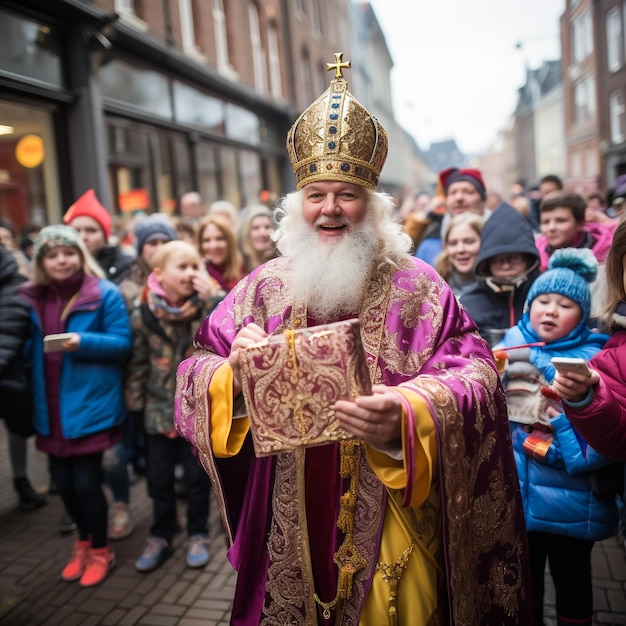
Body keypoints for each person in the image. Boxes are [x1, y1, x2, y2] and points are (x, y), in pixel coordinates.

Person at [175, 56, 534, 625]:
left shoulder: (416, 285)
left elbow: (477, 372)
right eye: (317, 194)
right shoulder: (263, 287)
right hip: (286, 506)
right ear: (298, 206)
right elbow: (196, 363)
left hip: (389, 506)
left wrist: (409, 411)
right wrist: (232, 377)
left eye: (347, 194)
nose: (331, 209)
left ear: (373, 205)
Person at [494, 248, 617, 626]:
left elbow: (602, 446)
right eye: (542, 300)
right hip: (517, 501)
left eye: (565, 304)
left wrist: (559, 423)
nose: (550, 310)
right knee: (524, 585)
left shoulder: (594, 363)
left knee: (574, 585)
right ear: (529, 304)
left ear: (583, 316)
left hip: (573, 509)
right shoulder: (506, 349)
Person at [18, 225, 132, 587]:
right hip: (49, 408)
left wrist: (81, 341)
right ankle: (82, 542)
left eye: (68, 253)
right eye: (52, 255)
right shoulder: (29, 298)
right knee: (63, 486)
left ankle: (101, 549)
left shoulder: (104, 294)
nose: (61, 260)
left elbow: (122, 343)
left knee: (86, 483)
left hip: (90, 406)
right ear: (41, 262)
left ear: (80, 255)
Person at [126, 241, 216, 572]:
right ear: (159, 274)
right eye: (183, 267)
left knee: (196, 479)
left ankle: (198, 532)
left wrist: (210, 299)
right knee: (159, 480)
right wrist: (135, 410)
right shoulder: (142, 314)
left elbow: (222, 342)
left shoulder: (207, 307)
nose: (191, 273)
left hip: (195, 412)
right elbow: (137, 365)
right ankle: (162, 533)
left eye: (196, 266)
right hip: (157, 412)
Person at [64, 189, 136, 540]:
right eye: (76, 230)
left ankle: (120, 502)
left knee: (113, 451)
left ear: (103, 233)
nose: (83, 238)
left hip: (120, 371)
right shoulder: (61, 274)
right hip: (86, 379)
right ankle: (89, 504)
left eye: (90, 230)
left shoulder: (121, 268)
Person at [554, 217, 626, 462]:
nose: (551, 311)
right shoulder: (613, 356)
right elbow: (617, 439)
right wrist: (584, 397)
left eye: (564, 305)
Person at [0, 245, 47, 511]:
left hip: (15, 375)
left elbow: (7, 335)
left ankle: (24, 481)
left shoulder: (14, 286)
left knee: (23, 428)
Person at [460, 202, 541, 346]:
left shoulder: (546, 296)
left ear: (529, 259)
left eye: (514, 258)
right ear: (487, 263)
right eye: (497, 259)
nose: (506, 265)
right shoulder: (468, 304)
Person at [415, 167, 488, 265]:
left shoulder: (502, 235)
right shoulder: (430, 245)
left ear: (482, 198)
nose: (459, 198)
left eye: (468, 192)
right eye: (453, 192)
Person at [434, 211, 483, 296]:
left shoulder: (499, 287)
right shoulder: (434, 287)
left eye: (469, 242)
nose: (460, 249)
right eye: (453, 243)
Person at [196, 214, 244, 292]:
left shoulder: (245, 270)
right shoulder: (197, 277)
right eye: (207, 240)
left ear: (230, 241)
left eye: (219, 238)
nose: (213, 246)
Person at [237, 204, 277, 272]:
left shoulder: (279, 261)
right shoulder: (238, 266)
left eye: (267, 227)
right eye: (256, 228)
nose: (263, 233)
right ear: (246, 233)